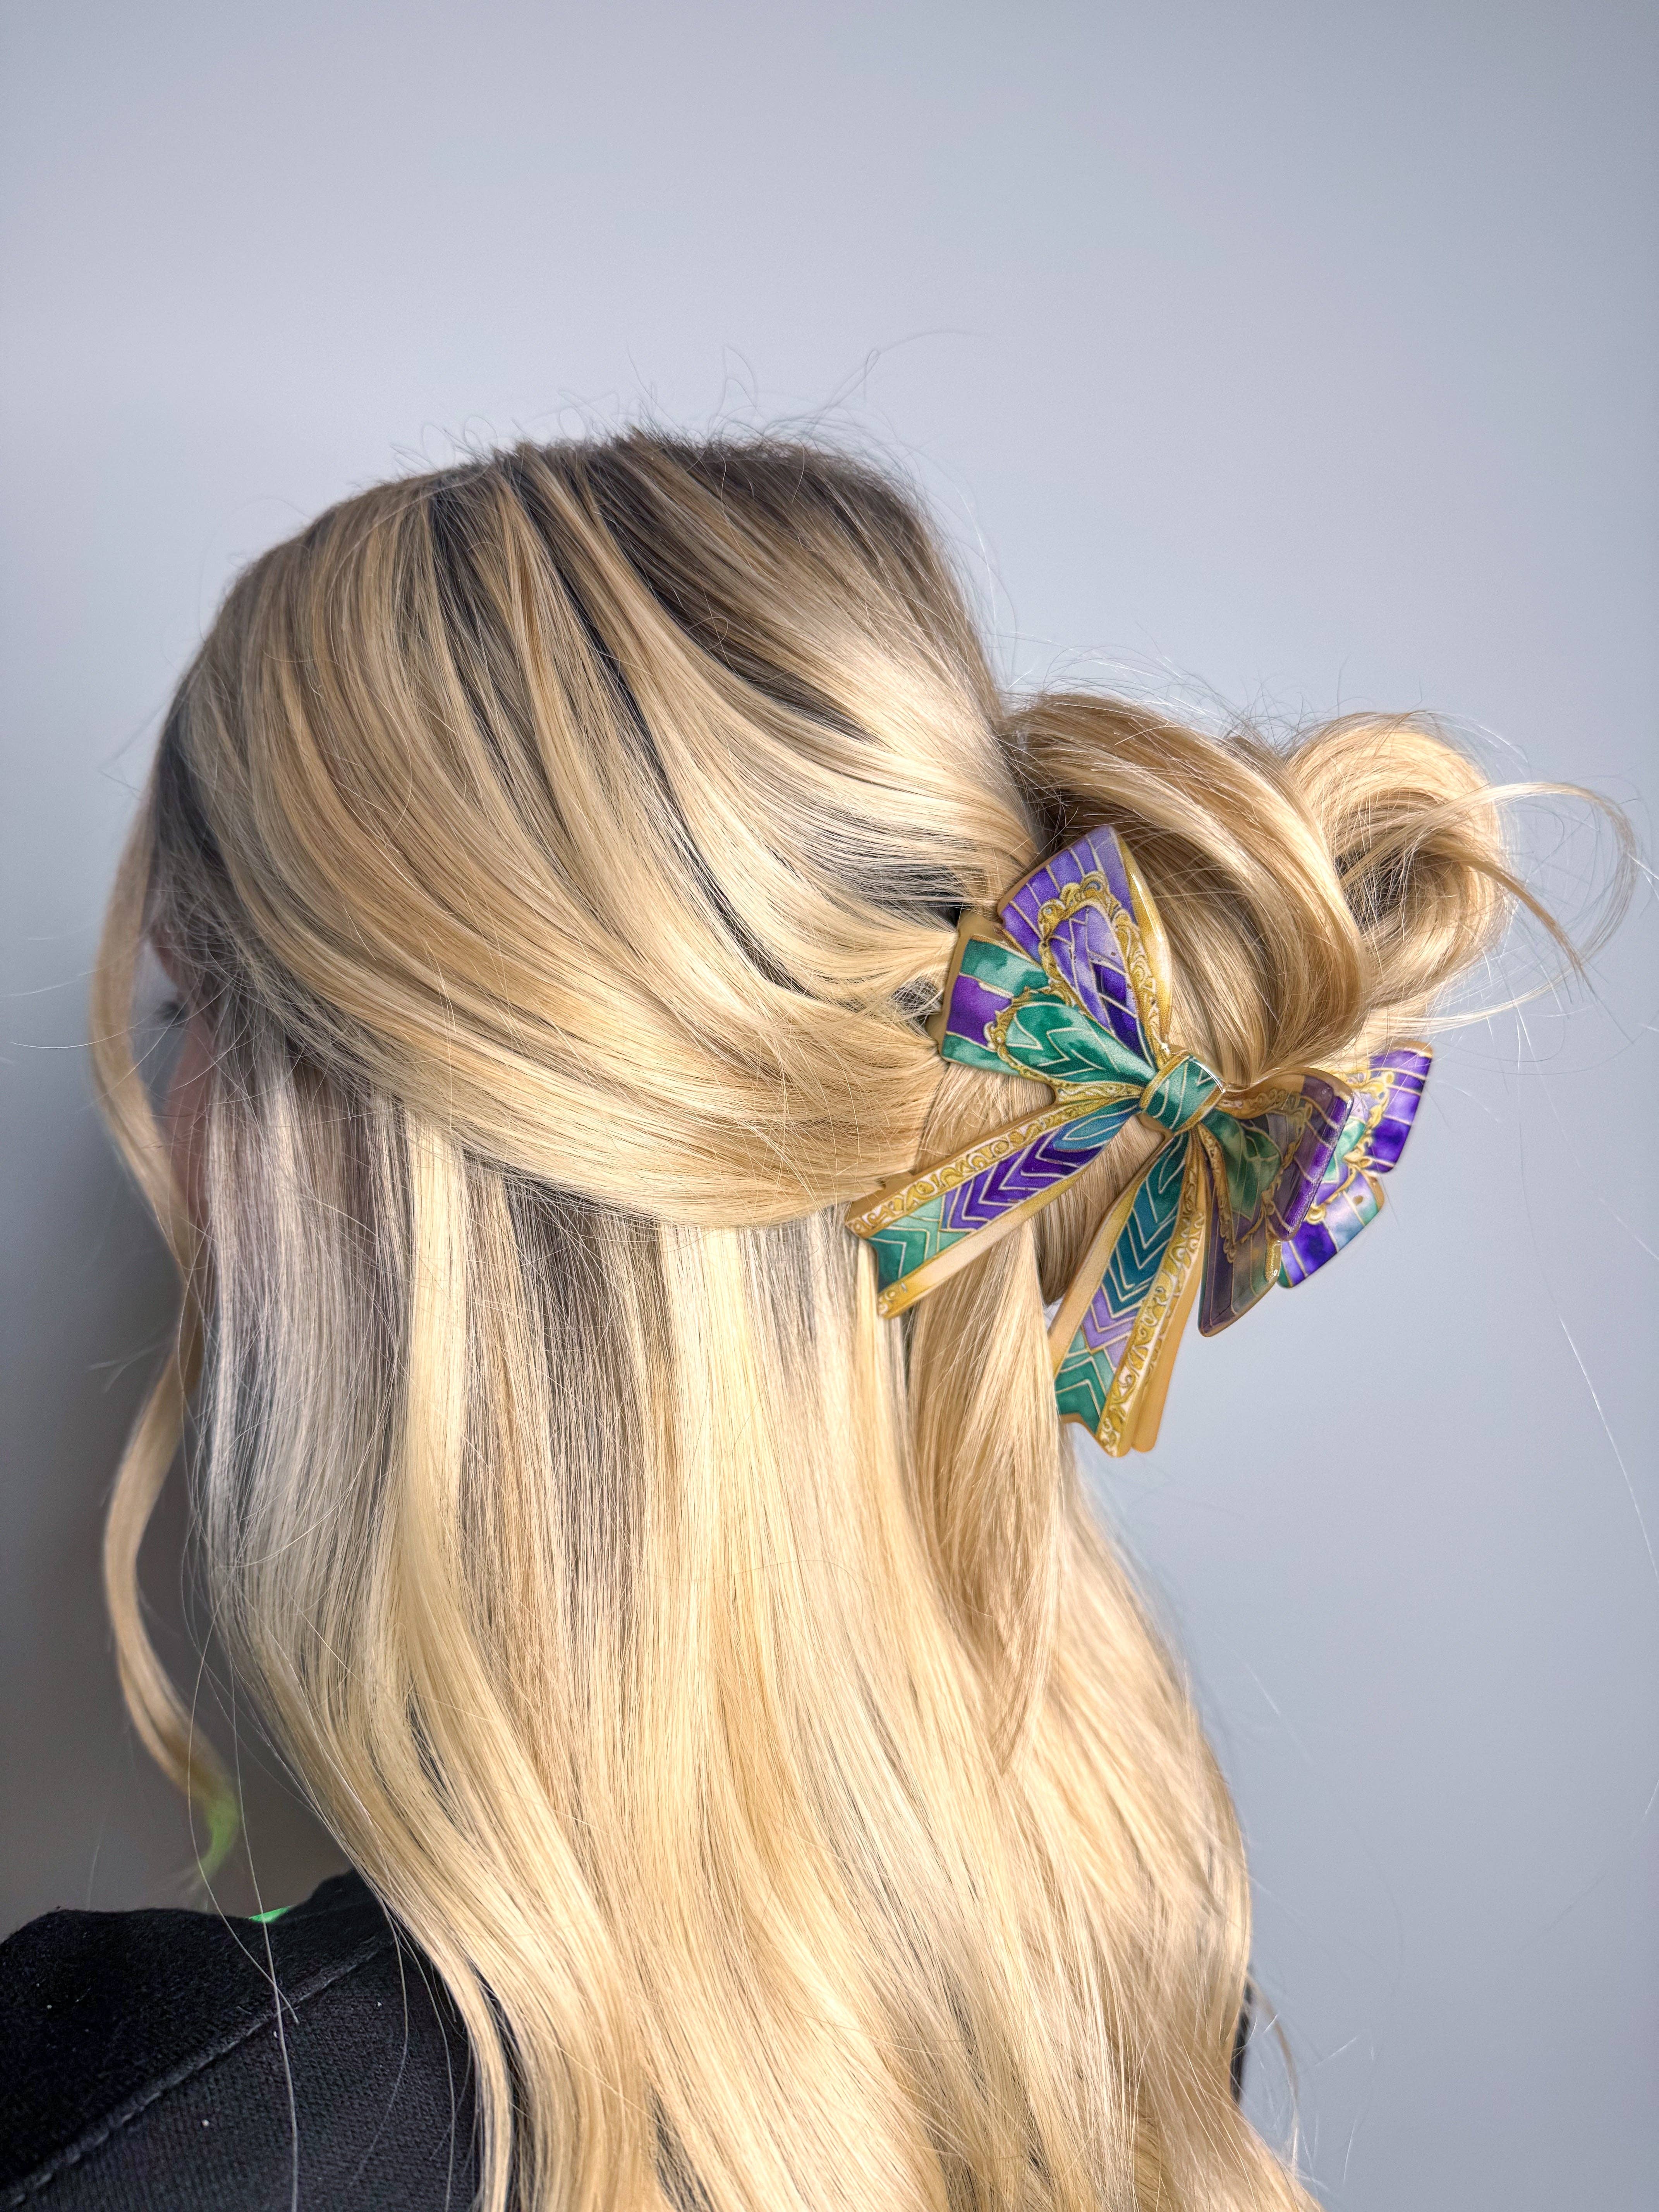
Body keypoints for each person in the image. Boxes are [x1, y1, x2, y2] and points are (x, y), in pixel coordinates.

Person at [0, 433, 1597, 2210]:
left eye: (191, 1020)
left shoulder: (147, 2131)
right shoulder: (1119, 1969)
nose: (172, 1149)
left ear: (370, 1172)